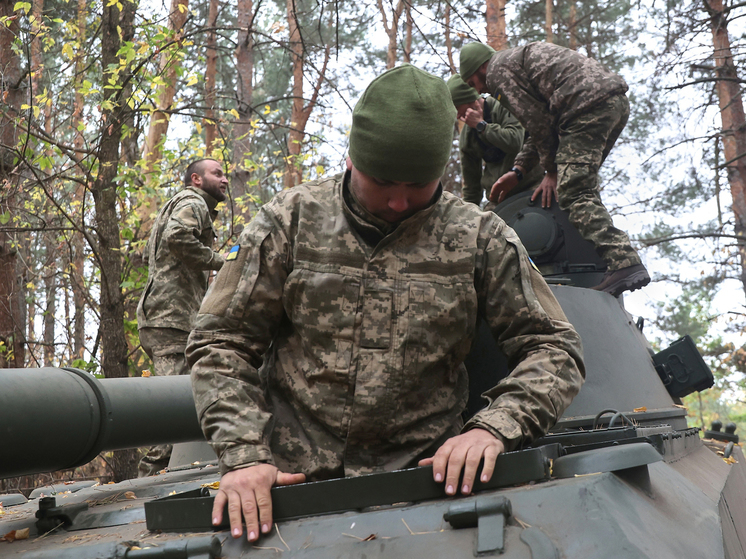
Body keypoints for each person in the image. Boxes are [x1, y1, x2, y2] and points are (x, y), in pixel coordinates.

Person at [187, 64, 584, 543]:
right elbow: (220, 341)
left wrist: (494, 428)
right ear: (353, 157)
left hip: (430, 488)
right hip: (289, 492)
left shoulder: (480, 237)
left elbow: (554, 348)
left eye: (418, 187)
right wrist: (245, 454)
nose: (399, 203)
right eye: (383, 183)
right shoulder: (288, 221)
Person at [459, 41, 650, 297]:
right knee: (581, 186)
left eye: (473, 83)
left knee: (572, 191)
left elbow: (538, 124)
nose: (480, 90)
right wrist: (518, 171)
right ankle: (617, 262)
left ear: (480, 67)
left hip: (584, 109)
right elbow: (539, 124)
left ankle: (624, 262)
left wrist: (551, 171)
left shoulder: (498, 71)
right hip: (610, 102)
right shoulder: (513, 61)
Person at [136, 158, 228, 477]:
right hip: (170, 319)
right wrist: (222, 262)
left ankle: (162, 481)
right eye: (217, 173)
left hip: (168, 317)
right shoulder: (192, 201)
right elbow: (177, 237)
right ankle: (145, 486)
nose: (225, 179)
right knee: (171, 405)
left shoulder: (182, 204)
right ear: (196, 179)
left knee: (183, 399)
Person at [446, 74, 542, 208]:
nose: (456, 115)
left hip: (532, 186)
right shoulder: (467, 137)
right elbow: (471, 187)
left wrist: (482, 126)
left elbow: (514, 142)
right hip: (499, 199)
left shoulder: (503, 105)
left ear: (469, 99)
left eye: (456, 108)